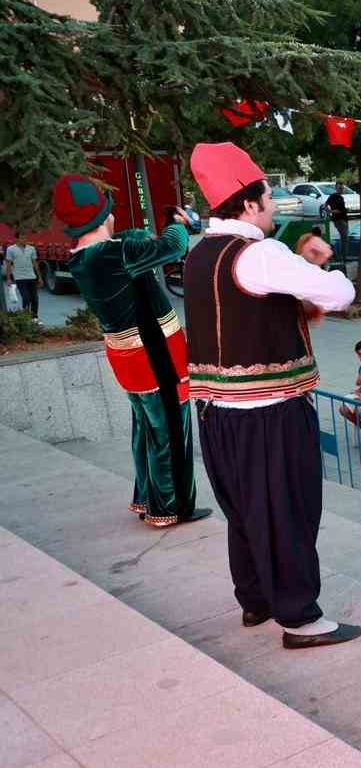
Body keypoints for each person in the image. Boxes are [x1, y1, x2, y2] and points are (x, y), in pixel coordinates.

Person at [183, 142, 358, 646]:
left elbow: (254, 303)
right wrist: (322, 268)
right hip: (269, 413)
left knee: (244, 512)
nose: (275, 203)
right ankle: (300, 619)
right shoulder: (259, 253)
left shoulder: (200, 253)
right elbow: (340, 295)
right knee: (287, 513)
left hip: (216, 414)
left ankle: (256, 600)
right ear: (248, 203)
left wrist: (299, 264)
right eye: (268, 194)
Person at [53, 174, 204, 528]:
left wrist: (136, 236)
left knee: (146, 427)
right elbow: (173, 247)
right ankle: (171, 507)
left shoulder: (85, 259)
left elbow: (130, 247)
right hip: (154, 354)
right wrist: (177, 223)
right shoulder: (113, 253)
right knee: (170, 429)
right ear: (101, 218)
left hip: (129, 357)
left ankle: (146, 498)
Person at [3, 235, 39, 317]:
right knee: (26, 298)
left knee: (35, 299)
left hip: (32, 277)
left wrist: (39, 277)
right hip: (20, 278)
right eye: (22, 238)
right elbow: (8, 265)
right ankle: (25, 317)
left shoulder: (31, 248)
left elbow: (35, 263)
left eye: (25, 238)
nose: (24, 240)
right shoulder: (11, 249)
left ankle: (34, 317)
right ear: (17, 239)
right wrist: (8, 278)